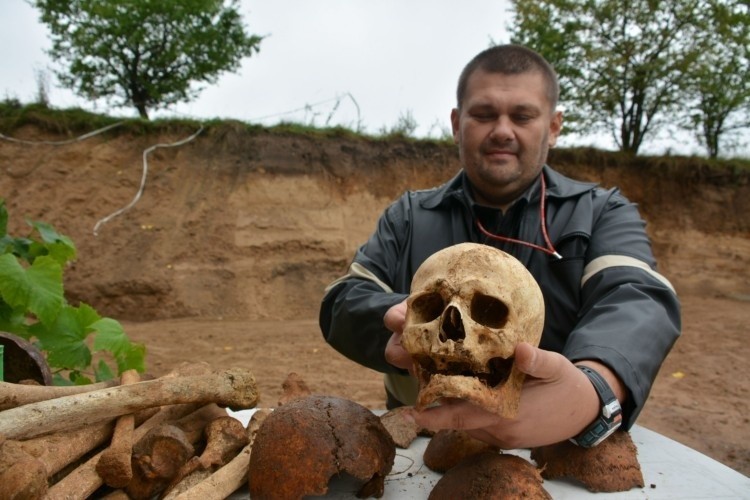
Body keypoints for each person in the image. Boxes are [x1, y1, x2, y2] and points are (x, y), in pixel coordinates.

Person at [319, 44, 680, 449]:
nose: (502, 130)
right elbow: (343, 299)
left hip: (557, 445)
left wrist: (595, 384)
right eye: (484, 114)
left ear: (554, 126)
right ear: (457, 123)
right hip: (419, 443)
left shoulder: (601, 212)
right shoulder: (409, 216)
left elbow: (637, 296)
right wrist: (412, 318)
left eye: (523, 116)